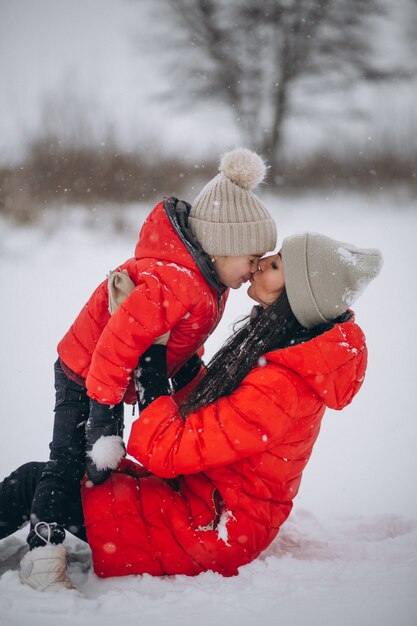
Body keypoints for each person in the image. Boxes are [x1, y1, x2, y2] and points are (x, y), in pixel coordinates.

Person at [0, 232, 382, 589]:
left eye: (277, 265)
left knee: (39, 482)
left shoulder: (281, 387)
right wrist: (174, 357)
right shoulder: (288, 351)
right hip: (205, 499)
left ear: (298, 298)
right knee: (50, 480)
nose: (262, 262)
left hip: (208, 527)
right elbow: (213, 416)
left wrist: (152, 356)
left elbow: (168, 450)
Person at [16, 147, 277, 590]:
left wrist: (196, 384)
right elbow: (114, 350)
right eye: (251, 258)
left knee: (95, 472)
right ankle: (43, 557)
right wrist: (101, 416)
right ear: (221, 246)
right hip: (86, 371)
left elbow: (178, 346)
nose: (254, 270)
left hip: (110, 380)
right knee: (68, 462)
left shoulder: (209, 281)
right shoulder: (174, 281)